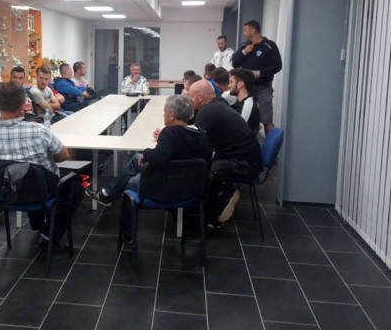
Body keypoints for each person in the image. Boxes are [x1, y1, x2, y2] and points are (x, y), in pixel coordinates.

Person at [0, 81, 84, 251]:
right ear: (23, 107)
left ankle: (39, 225)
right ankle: (49, 235)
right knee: (75, 189)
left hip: (3, 193)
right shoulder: (39, 131)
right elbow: (64, 156)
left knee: (26, 177)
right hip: (40, 192)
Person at [94, 95, 212, 240]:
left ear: (171, 115)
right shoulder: (201, 135)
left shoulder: (169, 133)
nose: (163, 115)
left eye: (164, 112)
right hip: (191, 188)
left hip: (163, 187)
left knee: (130, 182)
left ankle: (128, 233)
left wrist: (147, 152)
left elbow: (158, 160)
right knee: (136, 159)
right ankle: (108, 194)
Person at [187, 80, 262, 228]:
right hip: (247, 158)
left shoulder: (208, 111)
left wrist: (171, 133)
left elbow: (193, 139)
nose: (188, 100)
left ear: (200, 97)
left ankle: (221, 203)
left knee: (203, 169)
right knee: (205, 162)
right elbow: (195, 132)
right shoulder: (218, 103)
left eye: (190, 96)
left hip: (244, 164)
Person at [231, 20, 282, 133]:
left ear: (253, 30)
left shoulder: (269, 46)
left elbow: (277, 66)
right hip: (246, 89)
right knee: (244, 118)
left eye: (245, 30)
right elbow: (234, 63)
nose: (244, 33)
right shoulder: (244, 46)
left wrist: (259, 73)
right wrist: (244, 52)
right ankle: (247, 142)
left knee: (266, 120)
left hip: (263, 88)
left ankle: (270, 143)